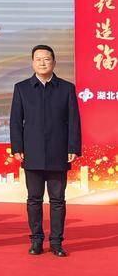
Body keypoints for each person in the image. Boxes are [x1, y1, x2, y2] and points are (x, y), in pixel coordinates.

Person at [10, 45, 81, 257]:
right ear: (32, 63)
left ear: (54, 62)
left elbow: (74, 120)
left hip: (59, 151)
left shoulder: (66, 88)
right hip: (31, 152)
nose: (42, 62)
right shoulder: (22, 88)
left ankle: (57, 242)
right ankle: (36, 240)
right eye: (38, 59)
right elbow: (16, 121)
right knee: (34, 199)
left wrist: (73, 147)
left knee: (57, 200)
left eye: (47, 59)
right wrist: (17, 147)